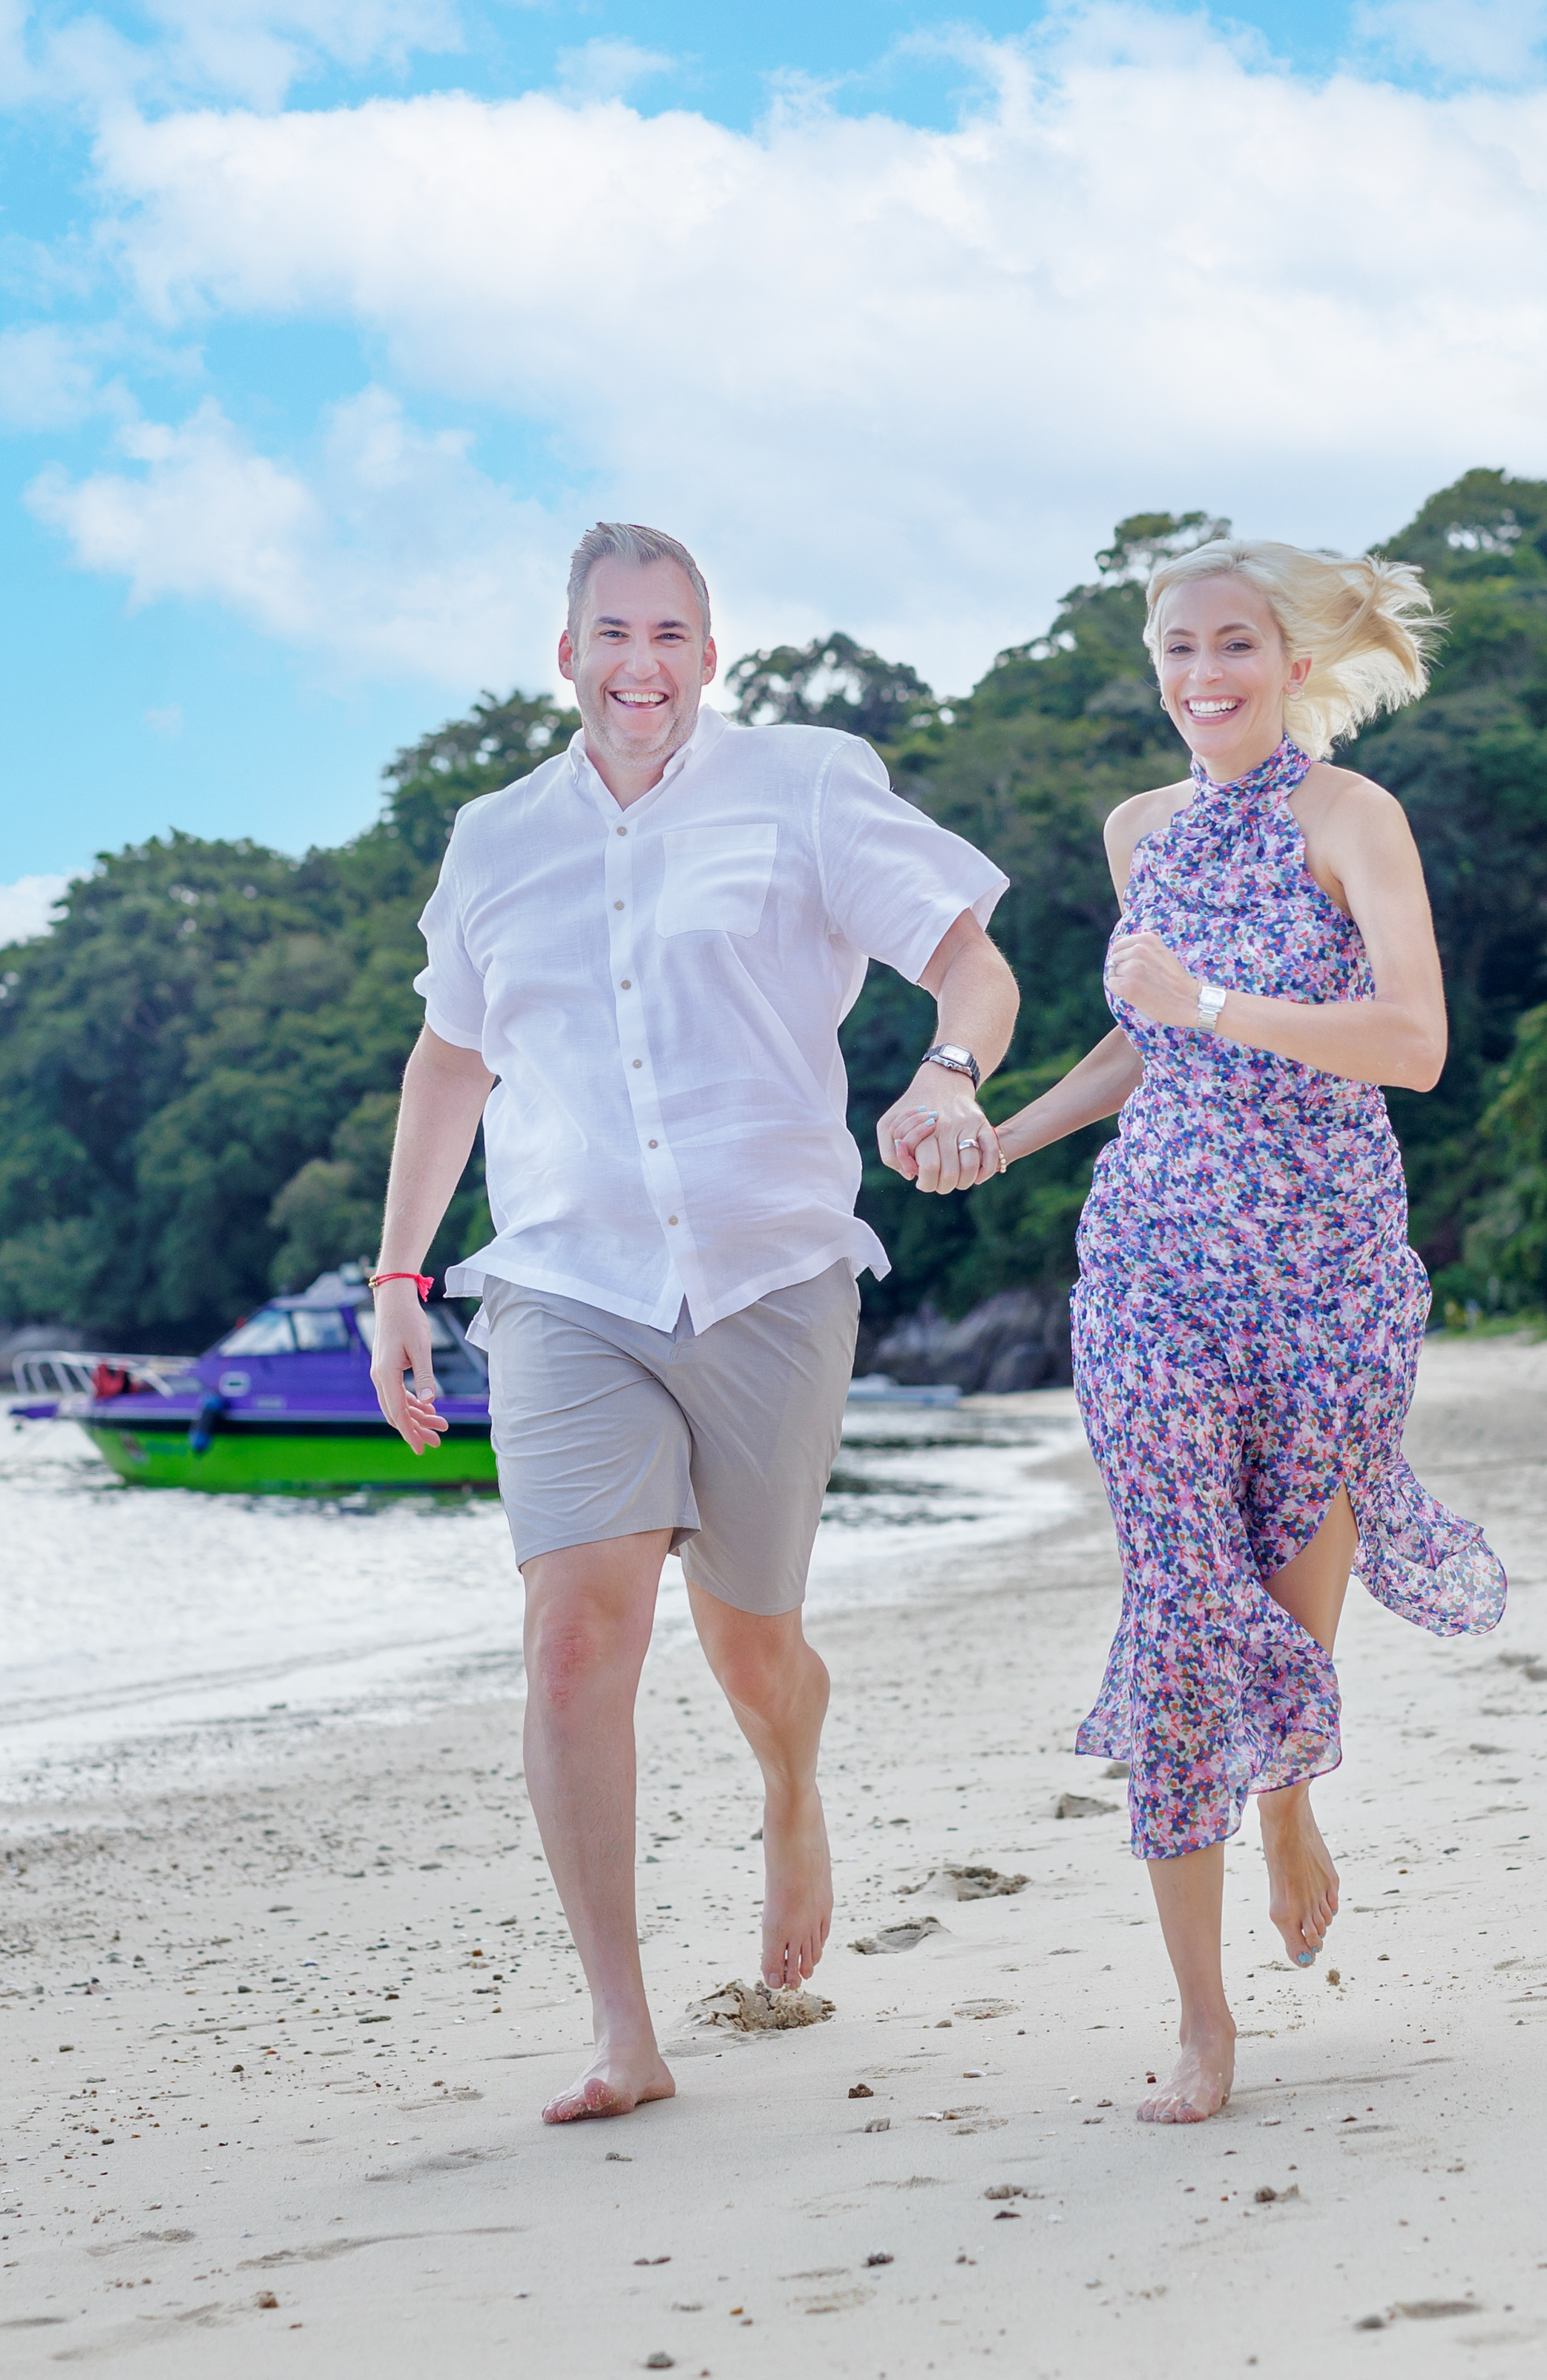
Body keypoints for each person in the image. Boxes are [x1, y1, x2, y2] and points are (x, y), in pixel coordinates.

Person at [363, 519, 1020, 2127]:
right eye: (611, 633)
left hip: (770, 1274)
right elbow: (451, 1061)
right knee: (575, 1635)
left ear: (710, 655)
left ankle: (790, 1783)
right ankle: (622, 2029)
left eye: (669, 634)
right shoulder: (493, 843)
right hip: (565, 1282)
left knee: (749, 1641)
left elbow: (970, 964)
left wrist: (948, 1075)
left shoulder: (804, 786)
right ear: (566, 653)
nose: (639, 664)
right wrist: (396, 1280)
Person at [950, 534, 1506, 2125]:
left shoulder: (1351, 817)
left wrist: (1211, 1002)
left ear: (1294, 662)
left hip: (1323, 1265)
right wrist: (1008, 1134)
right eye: (1177, 651)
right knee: (1184, 1608)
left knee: (1290, 1609)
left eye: (1233, 646)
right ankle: (1203, 2021)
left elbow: (1412, 1042)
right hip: (1153, 1262)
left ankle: (1288, 1801)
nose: (1203, 676)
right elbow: (1144, 1042)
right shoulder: (1138, 831)